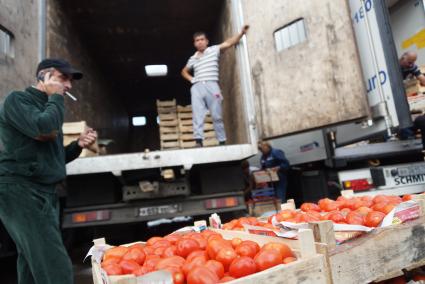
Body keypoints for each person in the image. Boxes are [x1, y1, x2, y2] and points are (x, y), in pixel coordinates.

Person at [0, 58, 97, 284]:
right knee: (54, 264)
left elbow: (53, 159)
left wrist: (77, 145)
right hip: (21, 190)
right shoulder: (18, 100)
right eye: (64, 78)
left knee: (33, 262)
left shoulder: (49, 108)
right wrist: (55, 97)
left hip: (43, 192)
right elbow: (42, 128)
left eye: (71, 81)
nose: (69, 86)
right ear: (44, 76)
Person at [181, 25, 249, 147]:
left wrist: (241, 33)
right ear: (194, 43)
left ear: (206, 41)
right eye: (197, 40)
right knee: (197, 114)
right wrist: (192, 79)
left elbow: (228, 43)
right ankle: (198, 140)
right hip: (197, 87)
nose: (200, 42)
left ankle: (222, 140)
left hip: (212, 85)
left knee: (216, 115)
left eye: (202, 39)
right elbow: (184, 71)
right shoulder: (192, 58)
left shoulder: (214, 50)